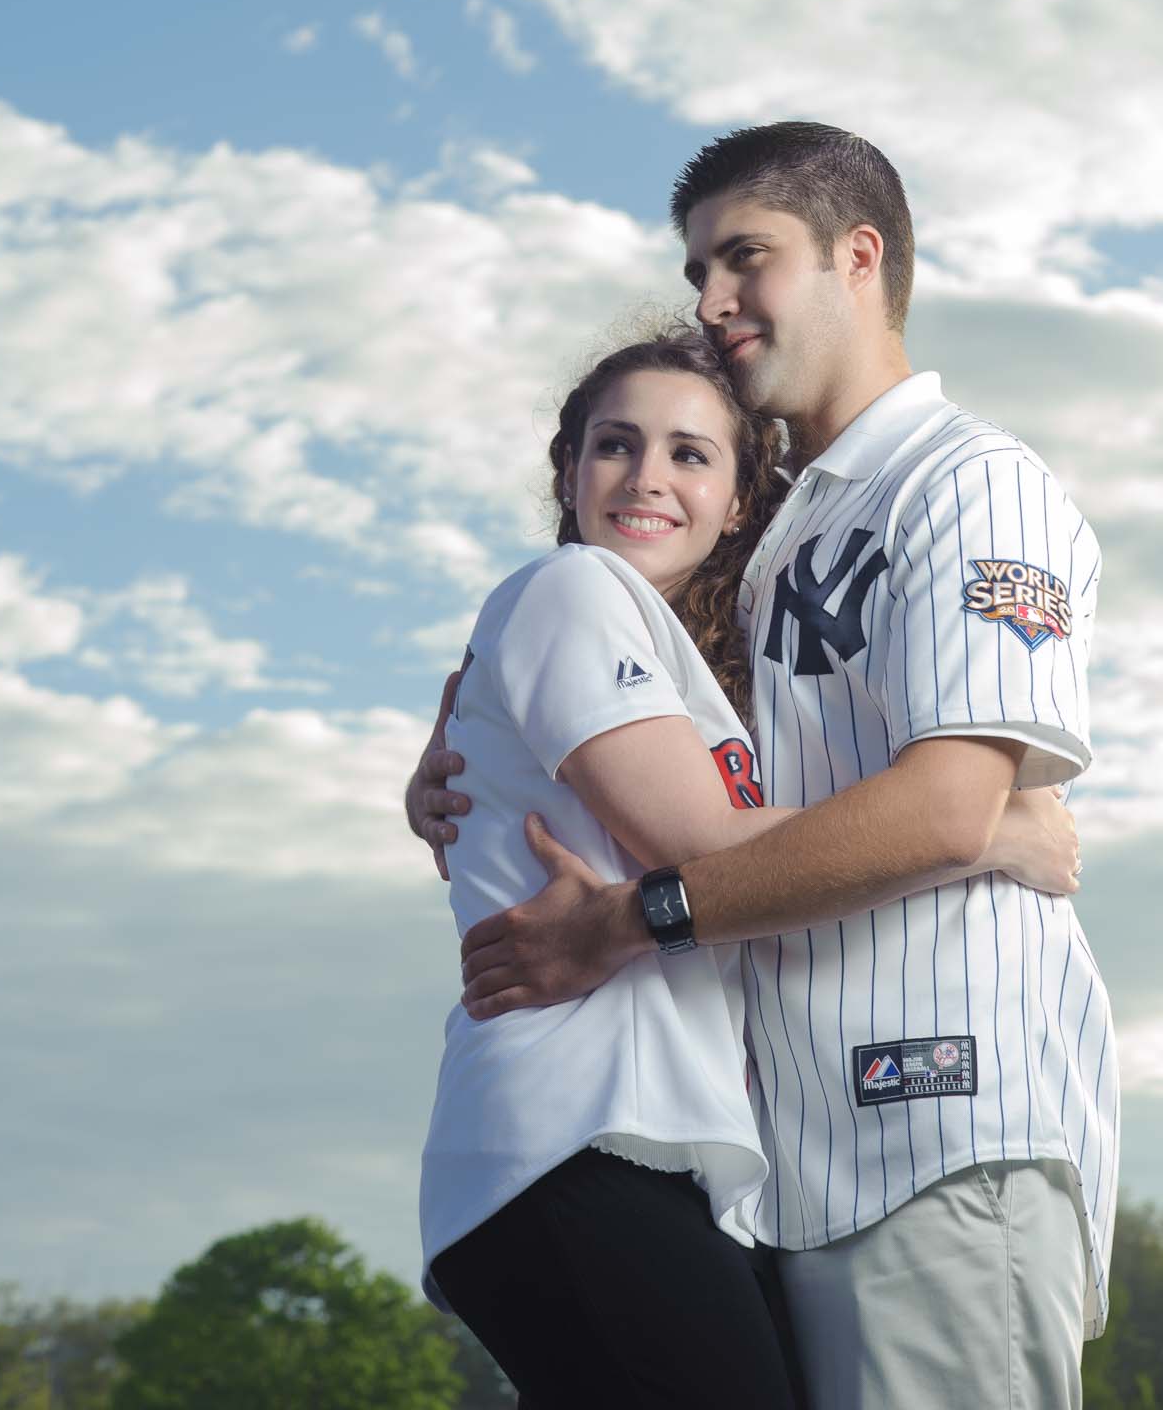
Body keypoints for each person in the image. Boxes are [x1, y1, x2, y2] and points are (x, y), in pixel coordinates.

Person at [415, 124, 1117, 1410]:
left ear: (860, 257)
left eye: (745, 257)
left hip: (940, 1120)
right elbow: (576, 660)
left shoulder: (969, 483)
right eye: (697, 270)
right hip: (796, 1152)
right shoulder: (791, 528)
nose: (712, 299)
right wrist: (453, 735)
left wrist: (631, 918)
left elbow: (950, 805)